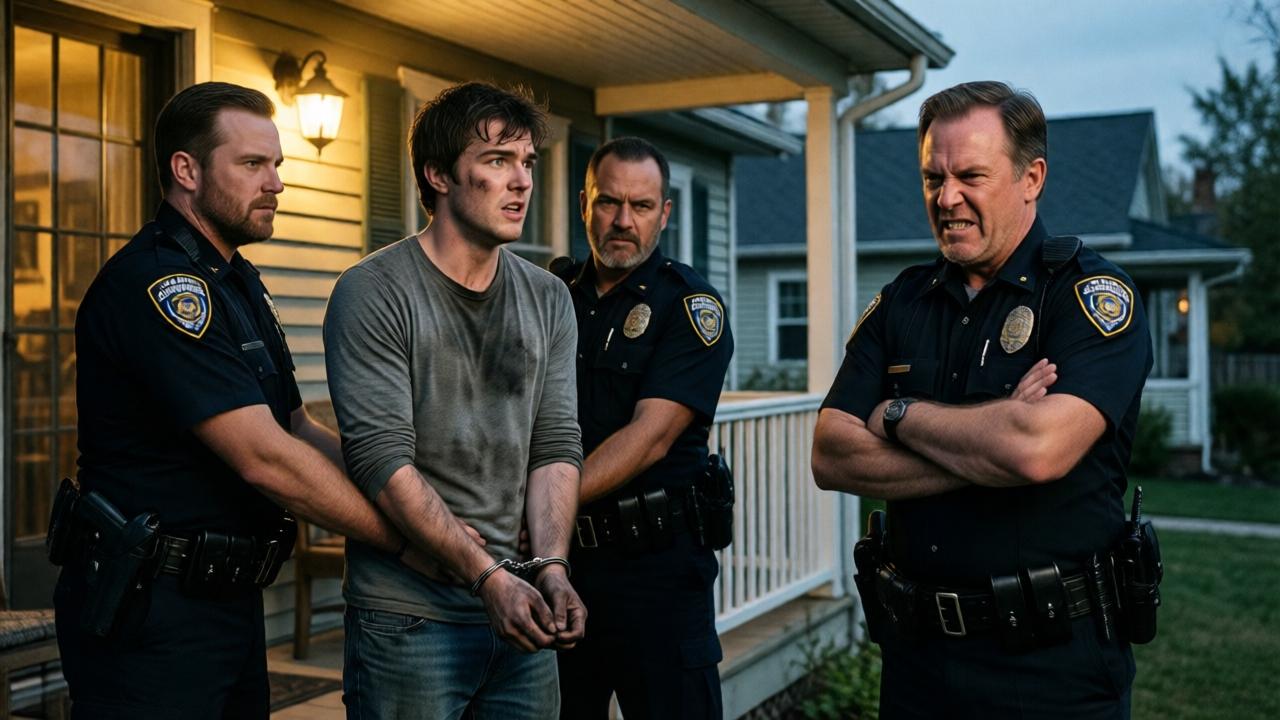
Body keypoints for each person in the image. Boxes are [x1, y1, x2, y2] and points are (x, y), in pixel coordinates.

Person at [56, 82, 416, 719]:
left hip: (228, 602)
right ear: (186, 171)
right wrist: (409, 540)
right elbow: (264, 457)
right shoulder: (158, 285)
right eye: (253, 165)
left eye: (277, 164)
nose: (276, 182)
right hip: (153, 612)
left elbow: (295, 428)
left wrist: (405, 487)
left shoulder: (237, 279)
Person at [812, 81, 1153, 719]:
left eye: (971, 175)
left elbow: (1036, 449)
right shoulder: (903, 302)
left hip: (1052, 671)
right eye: (932, 178)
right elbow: (831, 453)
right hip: (918, 666)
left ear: (1032, 178)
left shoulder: (1087, 298)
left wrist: (897, 415)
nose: (947, 199)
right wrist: (986, 446)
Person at [323, 81, 585, 720]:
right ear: (438, 175)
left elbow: (554, 443)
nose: (521, 182)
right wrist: (484, 575)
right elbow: (382, 461)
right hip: (409, 619)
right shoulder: (374, 292)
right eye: (497, 162)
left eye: (527, 163)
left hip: (521, 608)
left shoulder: (549, 297)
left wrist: (550, 564)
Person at [550, 137, 733, 719]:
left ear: (665, 213)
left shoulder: (691, 307)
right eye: (608, 202)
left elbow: (650, 436)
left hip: (657, 573)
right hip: (562, 567)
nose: (623, 221)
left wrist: (547, 508)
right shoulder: (550, 297)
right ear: (584, 203)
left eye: (642, 206)